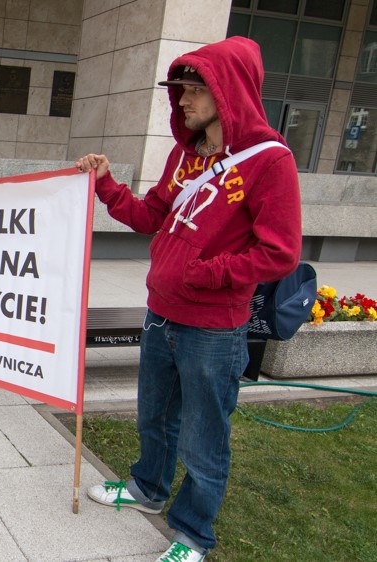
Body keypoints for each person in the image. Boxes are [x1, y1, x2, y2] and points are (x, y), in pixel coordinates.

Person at [76, 37, 301, 562]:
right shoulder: (184, 154)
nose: (182, 100)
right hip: (161, 313)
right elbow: (150, 215)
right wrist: (107, 185)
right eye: (180, 89)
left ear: (229, 91)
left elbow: (280, 252)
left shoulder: (270, 161)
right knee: (154, 416)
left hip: (214, 329)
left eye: (195, 89)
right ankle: (148, 487)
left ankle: (193, 535)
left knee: (204, 438)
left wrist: (207, 274)